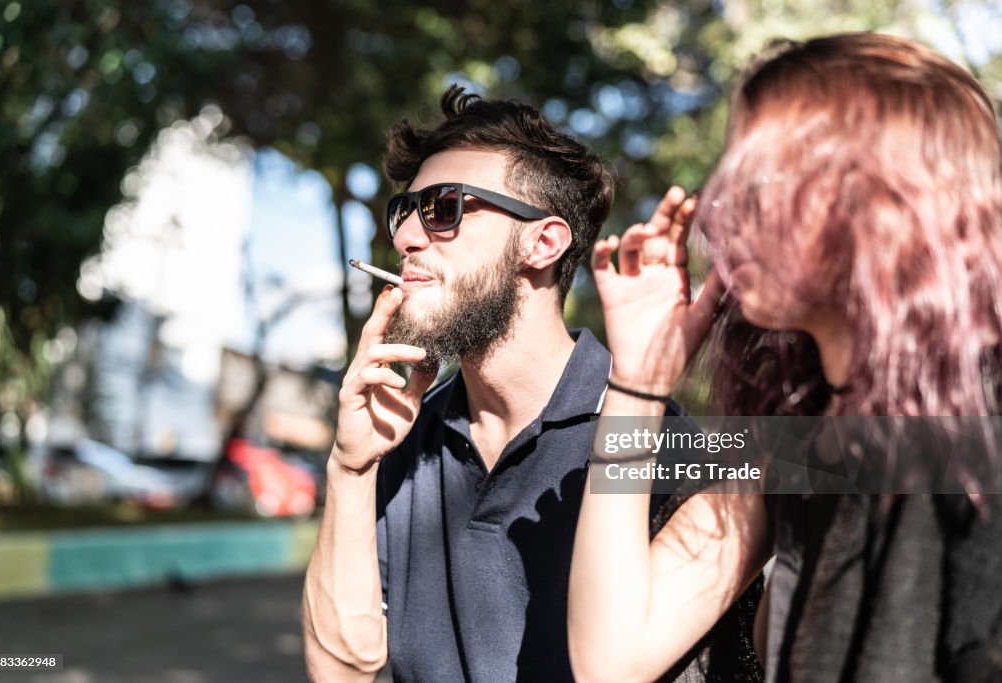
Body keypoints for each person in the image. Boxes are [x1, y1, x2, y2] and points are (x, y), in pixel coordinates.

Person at [569, 32, 1002, 682]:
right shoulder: (797, 443)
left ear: (886, 196)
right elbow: (611, 657)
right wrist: (637, 382)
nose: (719, 219)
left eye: (761, 184)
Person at [301, 85, 624, 682]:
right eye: (405, 212)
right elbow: (341, 672)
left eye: (445, 207)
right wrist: (349, 471)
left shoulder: (644, 427)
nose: (405, 239)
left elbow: (827, 462)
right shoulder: (399, 437)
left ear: (542, 242)